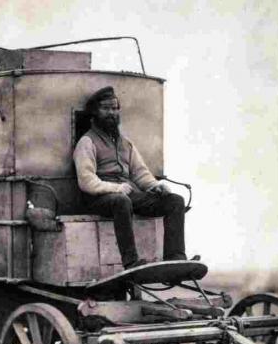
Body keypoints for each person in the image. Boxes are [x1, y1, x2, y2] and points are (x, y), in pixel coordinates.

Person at [73, 86, 193, 270]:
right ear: (95, 113)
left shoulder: (126, 143)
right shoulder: (87, 142)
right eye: (106, 109)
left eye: (114, 108)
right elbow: (86, 180)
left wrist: (155, 185)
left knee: (175, 201)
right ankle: (131, 262)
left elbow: (140, 172)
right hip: (96, 198)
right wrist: (115, 188)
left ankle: (175, 257)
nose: (111, 113)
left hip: (124, 195)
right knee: (121, 201)